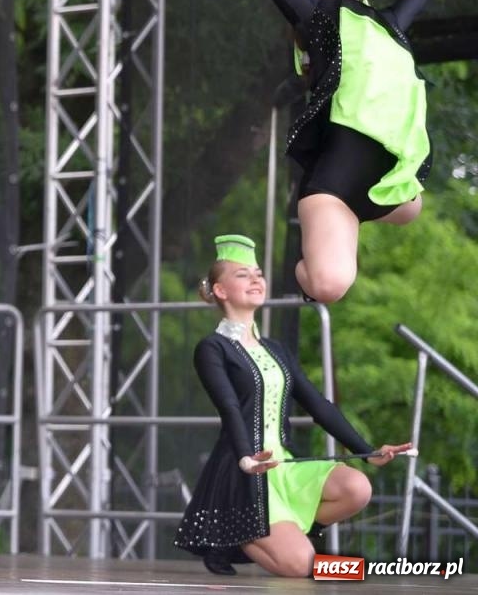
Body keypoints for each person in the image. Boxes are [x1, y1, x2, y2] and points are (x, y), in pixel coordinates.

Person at [217, 0, 438, 303]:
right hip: (335, 188)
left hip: (388, 183)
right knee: (330, 285)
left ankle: (343, 230)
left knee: (415, 204)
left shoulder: (385, 26)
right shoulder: (317, 21)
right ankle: (308, 265)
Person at [174, 234, 413, 577]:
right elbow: (228, 406)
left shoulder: (276, 349)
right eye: (243, 274)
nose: (256, 279)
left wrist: (367, 451)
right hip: (245, 473)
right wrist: (246, 457)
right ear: (220, 290)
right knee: (304, 566)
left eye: (258, 273)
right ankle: (235, 536)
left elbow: (319, 405)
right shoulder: (212, 348)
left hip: (282, 468)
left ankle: (286, 533)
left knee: (357, 488)